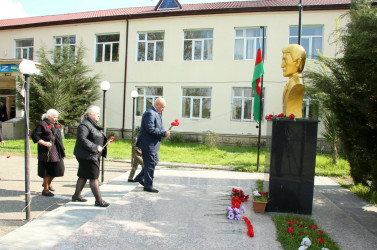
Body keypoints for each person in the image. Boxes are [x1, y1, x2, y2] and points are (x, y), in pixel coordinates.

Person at [72, 105, 110, 207]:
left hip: (91, 154)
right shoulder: (84, 125)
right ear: (90, 114)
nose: (99, 115)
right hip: (87, 155)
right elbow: (82, 139)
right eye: (97, 113)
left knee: (83, 175)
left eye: (99, 113)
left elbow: (97, 135)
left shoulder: (93, 124)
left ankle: (76, 195)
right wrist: (95, 147)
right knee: (94, 178)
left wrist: (105, 142)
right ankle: (99, 200)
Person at [133, 97, 170, 193]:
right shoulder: (150, 113)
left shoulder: (157, 113)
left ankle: (139, 177)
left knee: (154, 161)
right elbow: (150, 129)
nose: (164, 109)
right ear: (157, 105)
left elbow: (159, 127)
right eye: (162, 107)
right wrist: (162, 133)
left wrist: (164, 132)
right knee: (150, 164)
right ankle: (148, 185)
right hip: (148, 143)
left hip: (153, 144)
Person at [31, 109, 65, 197]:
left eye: (57, 117)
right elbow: (35, 136)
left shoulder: (55, 125)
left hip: (56, 149)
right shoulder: (42, 124)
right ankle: (45, 189)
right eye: (54, 117)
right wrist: (44, 143)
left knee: (59, 169)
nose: (56, 119)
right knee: (47, 170)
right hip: (46, 150)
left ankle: (49, 183)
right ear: (49, 116)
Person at [281, 44, 306, 118]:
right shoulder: (291, 83)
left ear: (298, 62)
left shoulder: (297, 85)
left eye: (285, 60)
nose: (282, 65)